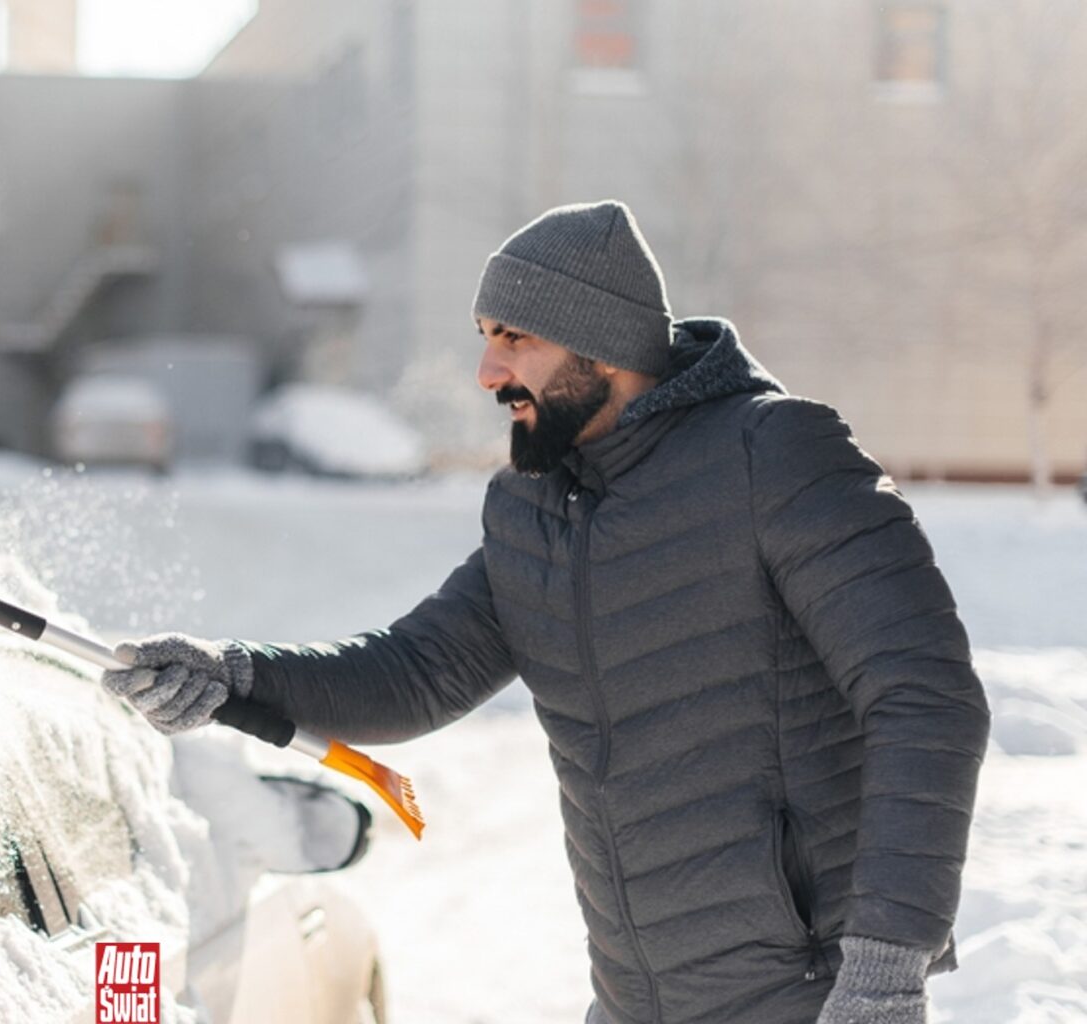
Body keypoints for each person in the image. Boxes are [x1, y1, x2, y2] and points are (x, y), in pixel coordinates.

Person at [102, 201, 990, 1024]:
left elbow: (927, 698)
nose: (489, 371)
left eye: (514, 339)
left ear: (602, 347)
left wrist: (884, 967)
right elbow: (416, 673)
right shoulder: (533, 509)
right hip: (634, 1001)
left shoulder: (775, 454)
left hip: (807, 992)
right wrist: (233, 676)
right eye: (486, 337)